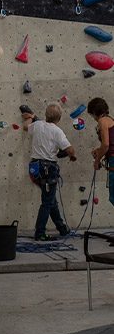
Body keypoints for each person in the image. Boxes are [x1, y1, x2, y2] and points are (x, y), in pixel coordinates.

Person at [21, 103, 76, 239]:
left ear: (45, 115)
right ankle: (39, 233)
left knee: (50, 199)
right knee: (47, 202)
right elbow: (70, 150)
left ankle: (62, 228)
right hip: (47, 168)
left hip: (34, 168)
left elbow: (25, 126)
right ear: (59, 118)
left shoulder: (38, 125)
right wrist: (72, 156)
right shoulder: (57, 131)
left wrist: (31, 117)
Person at [87, 97, 114, 206]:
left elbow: (106, 144)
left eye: (92, 115)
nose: (93, 118)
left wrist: (97, 161)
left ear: (94, 112)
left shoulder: (102, 121)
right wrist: (98, 150)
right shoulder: (110, 119)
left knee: (113, 197)